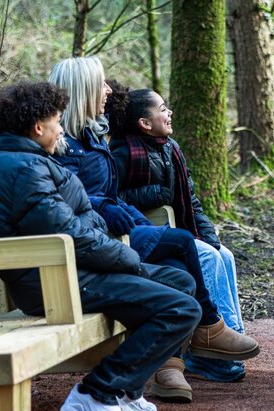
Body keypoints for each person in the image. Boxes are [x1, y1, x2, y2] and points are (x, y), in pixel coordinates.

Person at [0, 81, 200, 411]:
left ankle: (125, 388)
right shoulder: (24, 169)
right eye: (56, 120)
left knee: (180, 283)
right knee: (180, 309)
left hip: (70, 269)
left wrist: (122, 256)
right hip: (50, 280)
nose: (61, 127)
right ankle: (97, 391)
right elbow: (70, 234)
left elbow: (76, 226)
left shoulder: (23, 159)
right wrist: (128, 259)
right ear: (38, 127)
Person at [47, 57, 258, 403]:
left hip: (111, 232)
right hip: (95, 243)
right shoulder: (70, 146)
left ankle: (173, 363)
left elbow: (110, 195)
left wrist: (126, 211)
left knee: (187, 269)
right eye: (101, 84)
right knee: (183, 245)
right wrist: (112, 207)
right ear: (84, 90)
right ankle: (206, 334)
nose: (109, 90)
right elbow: (76, 199)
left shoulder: (92, 136)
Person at [106, 86, 247, 383]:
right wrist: (151, 193)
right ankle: (209, 356)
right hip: (146, 232)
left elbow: (191, 201)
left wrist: (208, 233)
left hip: (177, 228)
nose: (169, 112)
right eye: (162, 109)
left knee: (223, 253)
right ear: (145, 123)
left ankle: (232, 337)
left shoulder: (170, 148)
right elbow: (110, 197)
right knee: (206, 257)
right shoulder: (124, 150)